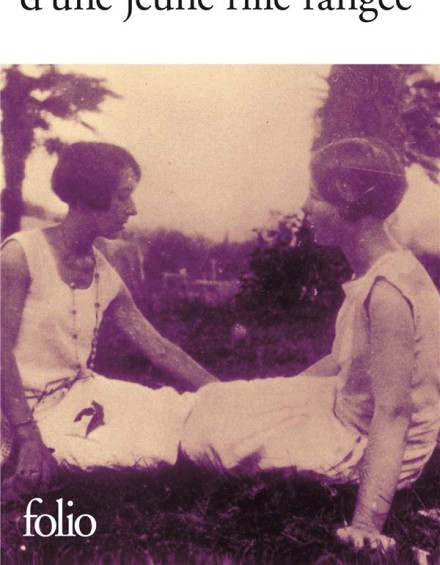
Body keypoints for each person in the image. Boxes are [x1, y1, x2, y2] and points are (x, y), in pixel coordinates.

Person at [181, 137, 440, 551]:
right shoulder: (381, 269)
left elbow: (394, 412)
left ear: (347, 201)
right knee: (221, 401)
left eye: (315, 196)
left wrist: (366, 525)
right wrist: (277, 396)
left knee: (214, 440)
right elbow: (345, 360)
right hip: (351, 410)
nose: (305, 206)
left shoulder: (388, 293)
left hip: (373, 444)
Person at [1, 142, 218, 495]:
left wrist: (221, 394)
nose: (132, 209)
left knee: (172, 416)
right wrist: (27, 434)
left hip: (77, 398)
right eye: (123, 195)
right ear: (88, 195)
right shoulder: (20, 255)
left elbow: (160, 349)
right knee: (129, 456)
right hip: (14, 413)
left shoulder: (102, 272)